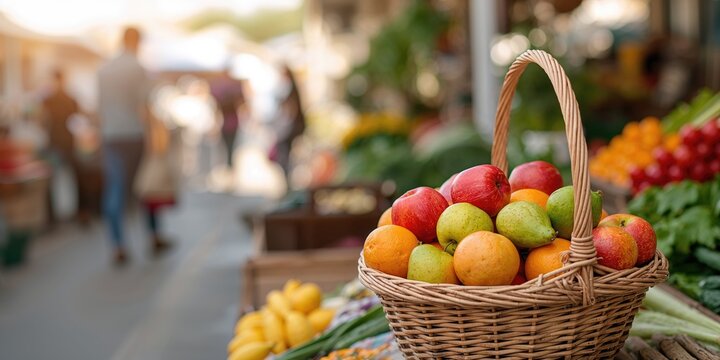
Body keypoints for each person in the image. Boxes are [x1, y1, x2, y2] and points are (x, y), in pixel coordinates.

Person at [97, 27, 170, 265]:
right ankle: (154, 234)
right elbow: (145, 105)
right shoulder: (137, 68)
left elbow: (99, 108)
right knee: (146, 185)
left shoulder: (104, 69)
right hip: (135, 134)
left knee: (115, 189)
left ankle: (117, 244)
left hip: (111, 135)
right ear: (137, 42)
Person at [41, 70, 91, 224]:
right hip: (62, 143)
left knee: (68, 177)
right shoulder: (59, 99)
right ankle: (79, 212)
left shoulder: (54, 99)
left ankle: (55, 216)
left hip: (60, 143)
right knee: (73, 177)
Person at [209, 65, 246, 168]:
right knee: (227, 145)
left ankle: (229, 164)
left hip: (231, 122)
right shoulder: (222, 86)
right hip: (226, 122)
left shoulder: (233, 86)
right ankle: (228, 164)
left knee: (231, 145)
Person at [273, 65, 305, 181]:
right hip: (290, 126)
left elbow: (292, 109)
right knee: (286, 154)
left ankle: (288, 178)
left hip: (290, 127)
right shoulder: (288, 89)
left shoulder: (290, 90)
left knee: (285, 154)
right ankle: (287, 178)